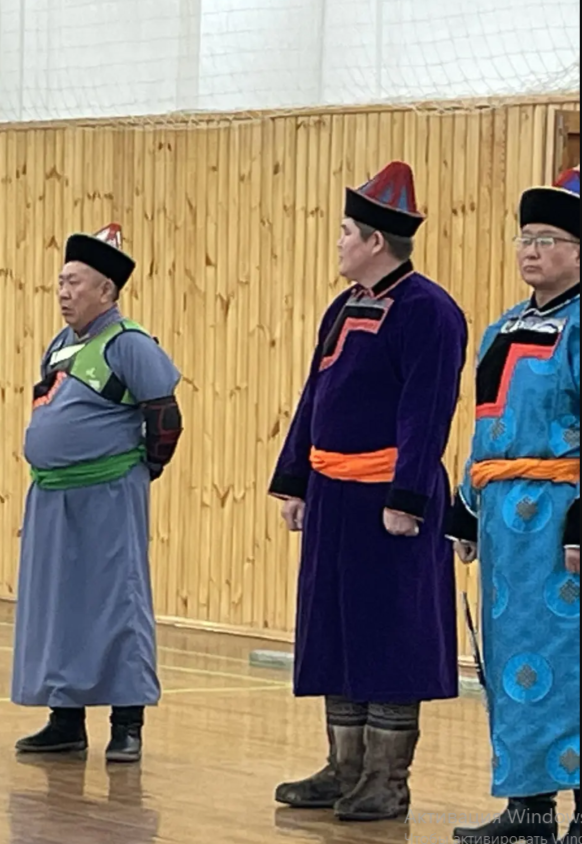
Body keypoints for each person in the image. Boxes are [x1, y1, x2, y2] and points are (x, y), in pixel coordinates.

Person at [268, 161, 468, 821]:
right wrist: (295, 480)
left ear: (376, 241)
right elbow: (315, 396)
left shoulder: (429, 312)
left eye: (345, 232)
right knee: (335, 628)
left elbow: (426, 410)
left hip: (387, 501)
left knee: (390, 633)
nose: (338, 242)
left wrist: (407, 498)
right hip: (334, 499)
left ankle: (386, 779)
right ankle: (344, 766)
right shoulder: (344, 306)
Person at [10, 223, 183, 764]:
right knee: (60, 605)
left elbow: (165, 417)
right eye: (60, 282)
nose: (63, 293)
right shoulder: (60, 345)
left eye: (75, 283)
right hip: (54, 497)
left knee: (117, 603)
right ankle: (65, 720)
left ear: (106, 290)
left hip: (107, 494)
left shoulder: (129, 344)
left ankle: (126, 724)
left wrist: (140, 470)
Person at [447, 166, 580, 844]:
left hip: (561, 518)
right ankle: (529, 810)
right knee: (510, 663)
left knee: (570, 660)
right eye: (524, 238)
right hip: (506, 530)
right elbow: (486, 428)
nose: (531, 250)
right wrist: (465, 506)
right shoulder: (502, 328)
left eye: (547, 239)